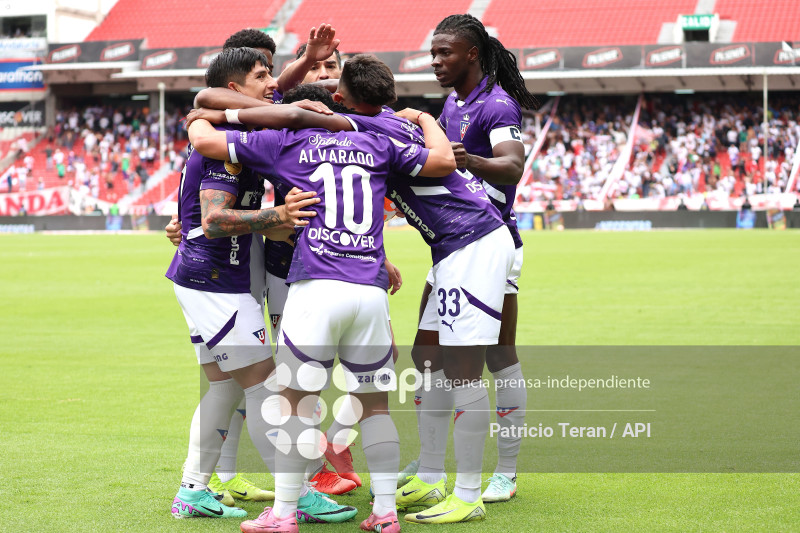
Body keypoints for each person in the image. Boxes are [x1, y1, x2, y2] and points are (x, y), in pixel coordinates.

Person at [190, 55, 514, 524]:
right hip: (371, 291)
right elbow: (442, 160)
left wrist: (207, 115)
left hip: (319, 286)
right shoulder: (379, 141)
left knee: (295, 403)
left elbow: (204, 138)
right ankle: (385, 512)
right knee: (375, 406)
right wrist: (423, 117)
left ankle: (283, 513)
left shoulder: (287, 141)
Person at [168, 25, 360, 501]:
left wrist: (281, 223)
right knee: (266, 388)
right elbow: (214, 220)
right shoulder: (223, 140)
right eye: (262, 74)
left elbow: (250, 221)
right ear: (235, 90)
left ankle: (193, 490)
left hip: (213, 277)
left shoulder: (243, 133)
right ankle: (297, 493)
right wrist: (277, 214)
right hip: (214, 280)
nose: (272, 81)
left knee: (225, 390)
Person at [401, 13, 540, 507]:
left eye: (445, 53)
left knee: (496, 358)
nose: (435, 61)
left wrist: (470, 160)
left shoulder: (496, 104)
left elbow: (513, 165)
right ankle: (432, 462)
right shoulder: (455, 101)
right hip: (453, 248)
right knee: (424, 354)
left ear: (473, 54)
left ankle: (504, 472)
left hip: (490, 245)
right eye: (433, 53)